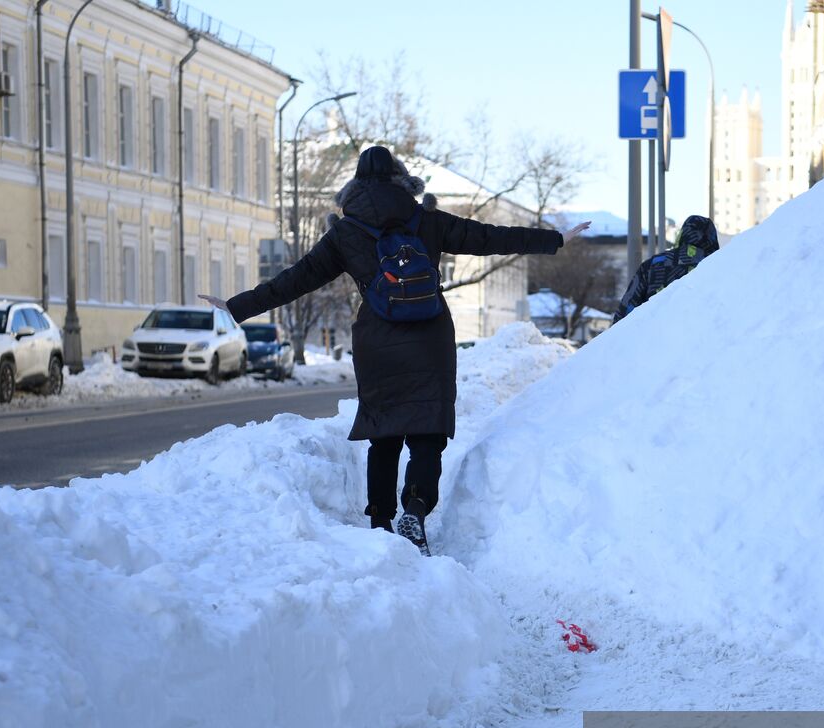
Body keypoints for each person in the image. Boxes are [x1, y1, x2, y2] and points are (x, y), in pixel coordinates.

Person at [200, 145, 588, 555]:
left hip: (377, 341)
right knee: (427, 435)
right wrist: (555, 239)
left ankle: (380, 520)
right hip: (429, 338)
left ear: (353, 184)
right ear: (402, 178)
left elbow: (296, 279)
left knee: (383, 436)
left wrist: (238, 305)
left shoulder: (345, 233)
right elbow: (488, 237)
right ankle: (415, 511)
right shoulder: (427, 219)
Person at [614, 214, 719, 322]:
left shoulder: (653, 265)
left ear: (682, 234)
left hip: (654, 336)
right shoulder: (718, 269)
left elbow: (624, 314)